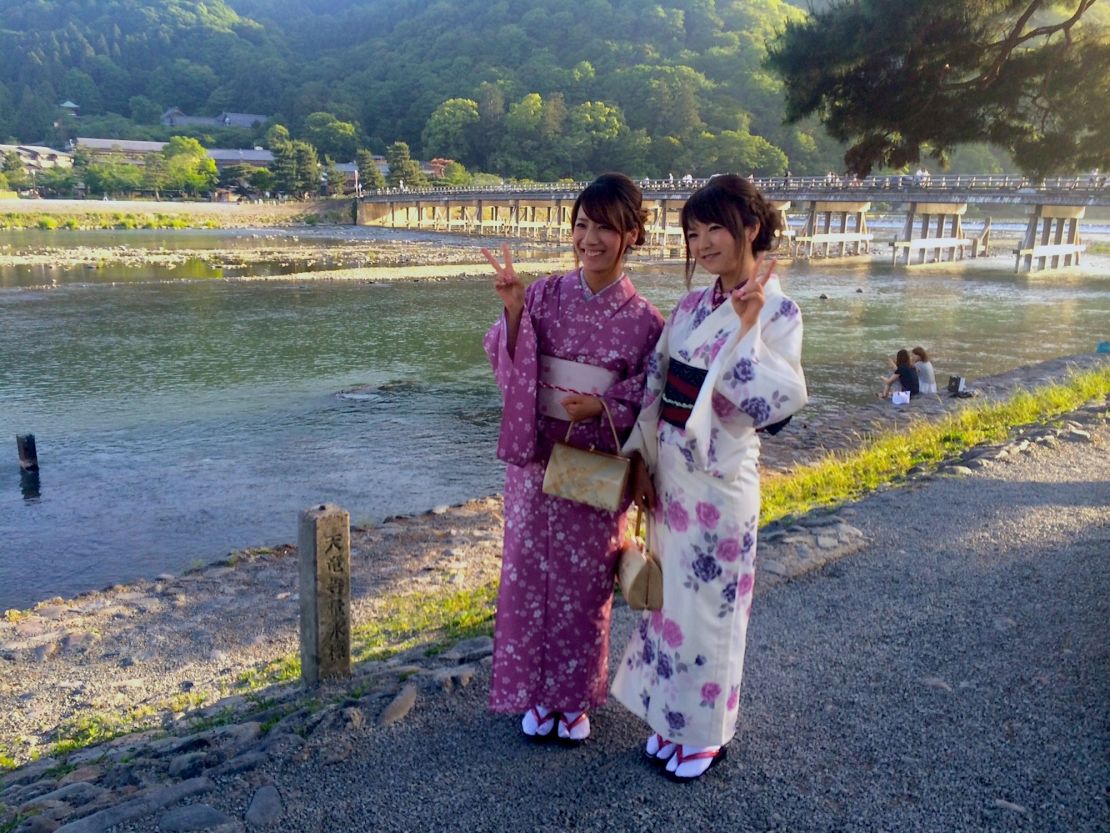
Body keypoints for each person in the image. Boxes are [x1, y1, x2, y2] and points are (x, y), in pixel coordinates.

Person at [611, 175, 808, 780]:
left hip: (720, 481)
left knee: (713, 610)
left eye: (714, 229)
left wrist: (745, 334)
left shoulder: (779, 309)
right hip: (672, 476)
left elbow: (775, 407)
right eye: (693, 233)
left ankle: (707, 731)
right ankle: (671, 720)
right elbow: (657, 383)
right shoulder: (692, 306)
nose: (702, 244)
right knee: (671, 604)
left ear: (751, 227)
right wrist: (640, 459)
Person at [482, 173, 665, 744]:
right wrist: (513, 311)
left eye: (605, 227)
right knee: (527, 576)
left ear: (631, 234)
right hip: (539, 460)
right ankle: (536, 695)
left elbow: (649, 393)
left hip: (593, 463)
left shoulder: (646, 322)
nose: (589, 238)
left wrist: (604, 405)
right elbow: (508, 361)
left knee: (584, 586)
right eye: (581, 224)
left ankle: (574, 699)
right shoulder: (541, 293)